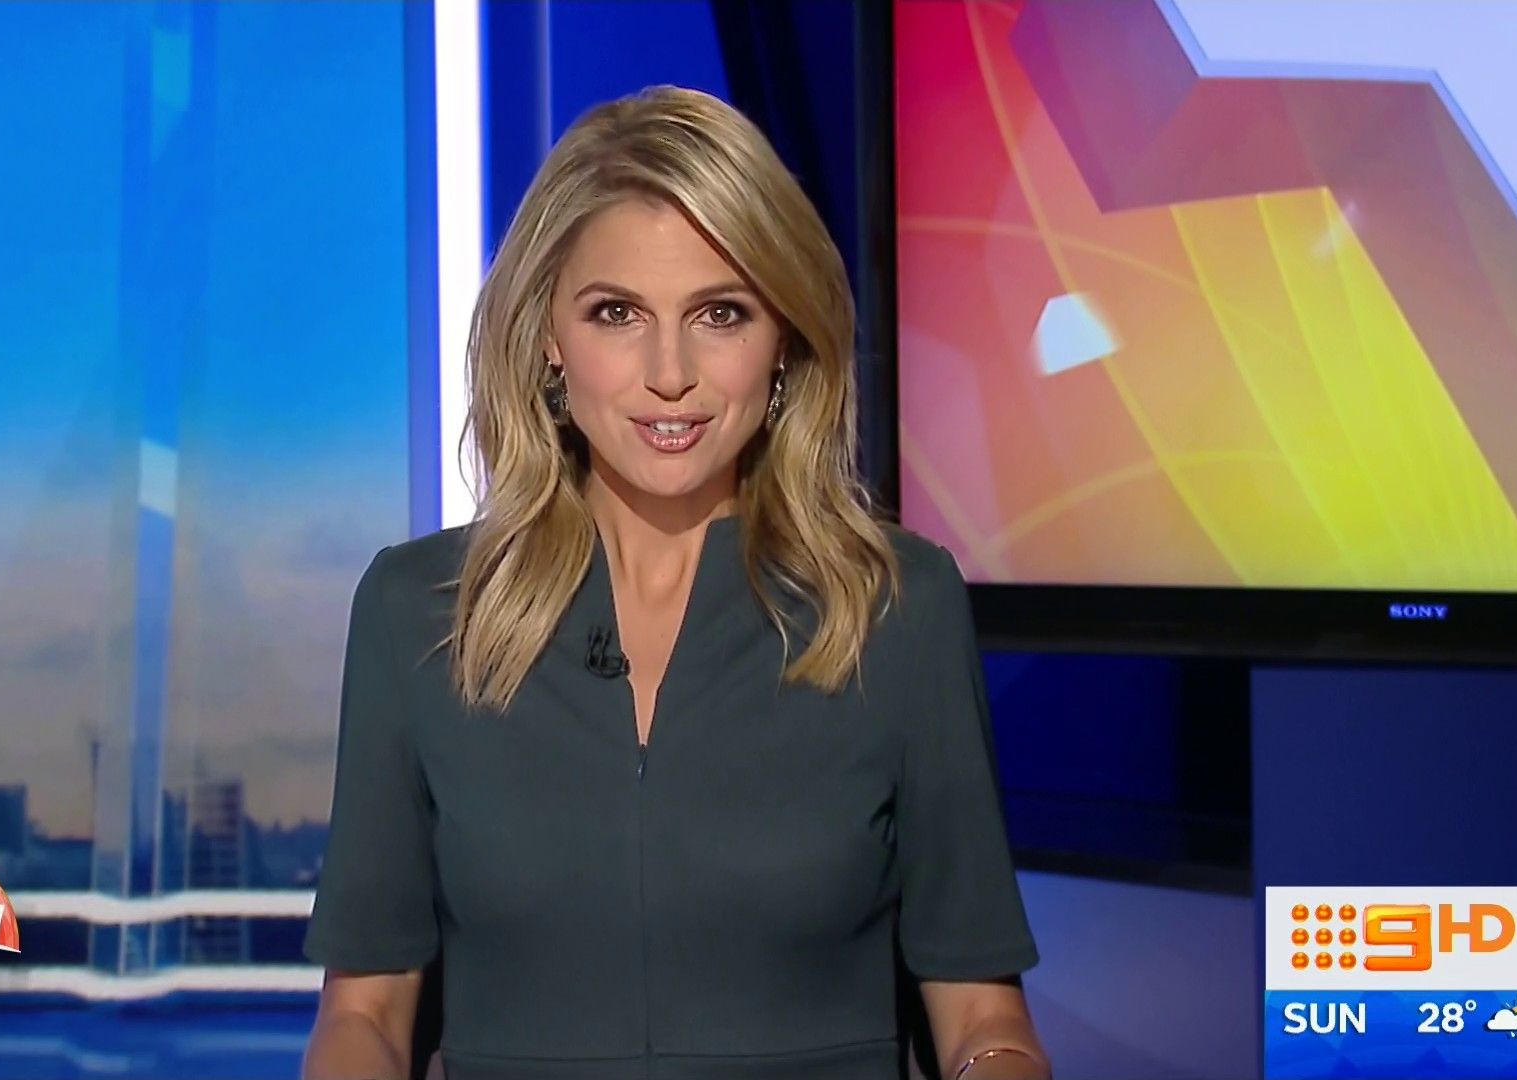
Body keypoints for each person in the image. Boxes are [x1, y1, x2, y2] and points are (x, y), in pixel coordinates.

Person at [300, 84, 1050, 1080]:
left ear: (783, 339)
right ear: (548, 336)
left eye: (720, 314)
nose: (669, 372)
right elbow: (366, 1015)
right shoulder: (419, 614)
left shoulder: (895, 608)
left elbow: (983, 1020)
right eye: (616, 313)